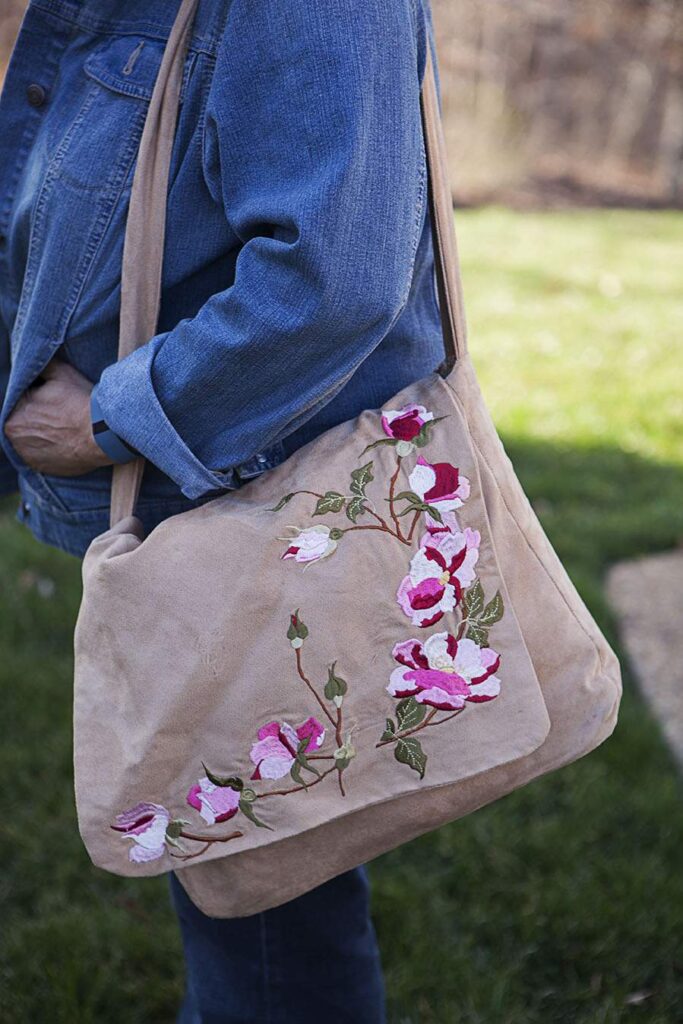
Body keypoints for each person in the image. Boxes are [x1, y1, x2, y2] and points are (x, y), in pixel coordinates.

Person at [0, 0, 445, 1020]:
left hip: (246, 501)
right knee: (251, 886)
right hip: (206, 500)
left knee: (267, 904)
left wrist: (107, 422)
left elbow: (330, 280)